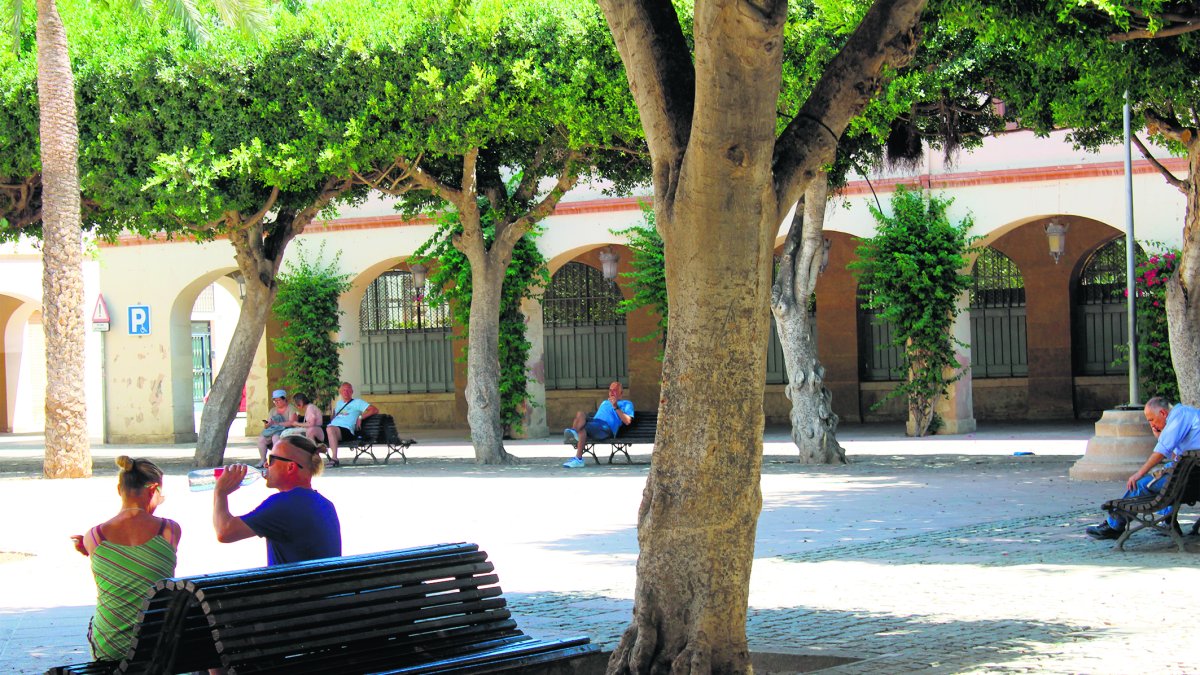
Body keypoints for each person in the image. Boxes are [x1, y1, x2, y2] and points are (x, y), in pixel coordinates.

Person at [71, 456, 181, 662]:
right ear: (153, 490)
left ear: (119, 489)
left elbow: (124, 563)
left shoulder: (94, 536)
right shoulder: (169, 530)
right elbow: (146, 564)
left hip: (110, 647)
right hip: (158, 645)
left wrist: (89, 548)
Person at [212, 435, 342, 565]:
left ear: (290, 467)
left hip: (290, 585)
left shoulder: (284, 504)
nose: (266, 464)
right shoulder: (326, 505)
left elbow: (224, 532)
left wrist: (220, 492)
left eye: (271, 459)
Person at [1086, 396, 1200, 540]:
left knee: (1140, 484)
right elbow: (1176, 457)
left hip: (1188, 483)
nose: (1151, 423)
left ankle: (1114, 525)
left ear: (1163, 413)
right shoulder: (1191, 414)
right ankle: (1168, 522)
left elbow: (1161, 452)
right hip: (1193, 482)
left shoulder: (1179, 417)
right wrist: (1159, 435)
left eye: (1151, 419)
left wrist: (1138, 474)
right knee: (1168, 481)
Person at [562, 381, 634, 468]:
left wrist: (615, 407)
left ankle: (578, 458)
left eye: (614, 390)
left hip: (606, 428)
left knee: (583, 428)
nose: (611, 392)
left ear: (621, 393)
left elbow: (627, 421)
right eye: (610, 390)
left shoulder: (627, 404)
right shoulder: (604, 403)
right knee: (580, 414)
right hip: (595, 423)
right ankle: (575, 432)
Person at [324, 382, 378, 468]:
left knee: (330, 429)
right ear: (340, 392)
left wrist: (360, 417)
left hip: (346, 430)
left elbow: (374, 410)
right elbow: (334, 418)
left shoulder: (358, 402)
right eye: (344, 390)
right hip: (333, 428)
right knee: (312, 430)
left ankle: (334, 459)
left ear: (352, 391)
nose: (346, 392)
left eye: (348, 390)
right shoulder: (339, 404)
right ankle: (310, 460)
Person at [256, 389, 297, 468]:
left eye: (278, 400)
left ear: (284, 399)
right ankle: (262, 460)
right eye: (275, 401)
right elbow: (269, 423)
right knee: (261, 439)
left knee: (276, 437)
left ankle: (277, 460)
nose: (276, 402)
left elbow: (292, 422)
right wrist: (267, 424)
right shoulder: (273, 410)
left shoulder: (291, 408)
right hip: (274, 430)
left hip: (286, 430)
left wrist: (277, 424)